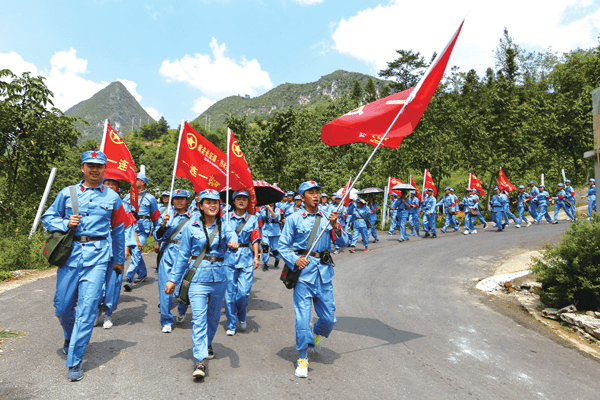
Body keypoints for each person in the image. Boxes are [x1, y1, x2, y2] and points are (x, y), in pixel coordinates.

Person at [41, 150, 127, 381]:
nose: (94, 169)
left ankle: (75, 360)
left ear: (104, 168)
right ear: (82, 167)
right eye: (90, 165)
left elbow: (119, 230)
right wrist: (64, 222)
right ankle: (71, 336)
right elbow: (47, 217)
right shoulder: (67, 193)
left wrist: (119, 260)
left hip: (98, 258)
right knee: (62, 306)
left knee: (88, 309)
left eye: (99, 166)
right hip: (70, 256)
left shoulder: (112, 197)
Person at [165, 189, 238, 379]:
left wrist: (233, 242)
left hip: (219, 278)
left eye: (216, 202)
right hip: (198, 278)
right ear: (200, 205)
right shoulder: (191, 226)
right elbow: (182, 256)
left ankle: (207, 343)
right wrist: (173, 279)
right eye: (208, 202)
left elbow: (233, 236)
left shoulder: (225, 224)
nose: (213, 205)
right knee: (198, 319)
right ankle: (199, 361)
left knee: (213, 318)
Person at [277, 180, 348, 378]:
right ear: (302, 197)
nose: (316, 195)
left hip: (324, 274)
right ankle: (302, 358)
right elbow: (283, 246)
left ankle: (316, 332)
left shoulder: (328, 216)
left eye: (317, 192)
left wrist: (335, 226)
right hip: (303, 275)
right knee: (302, 319)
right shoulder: (294, 219)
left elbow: (344, 242)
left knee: (329, 319)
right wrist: (294, 259)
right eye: (311, 192)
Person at [95, 176, 139, 330]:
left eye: (113, 185)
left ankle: (108, 314)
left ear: (118, 189)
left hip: (115, 251)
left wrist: (126, 248)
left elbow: (127, 229)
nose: (110, 186)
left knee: (113, 284)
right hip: (96, 251)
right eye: (107, 184)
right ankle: (94, 311)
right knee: (95, 285)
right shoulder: (93, 200)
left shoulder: (124, 207)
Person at [154, 189, 193, 332]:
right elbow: (157, 236)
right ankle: (166, 320)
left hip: (186, 255)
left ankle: (182, 310)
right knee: (165, 289)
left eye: (182, 198)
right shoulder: (166, 214)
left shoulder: (195, 217)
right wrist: (163, 224)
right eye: (176, 198)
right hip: (169, 253)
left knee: (184, 288)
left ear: (187, 200)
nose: (179, 201)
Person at [224, 190, 261, 336]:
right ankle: (231, 324)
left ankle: (242, 315)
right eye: (238, 199)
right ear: (233, 201)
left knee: (243, 293)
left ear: (248, 202)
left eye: (244, 199)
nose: (241, 201)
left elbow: (255, 238)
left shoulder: (252, 219)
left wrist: (256, 257)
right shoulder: (225, 218)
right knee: (229, 294)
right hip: (228, 258)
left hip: (246, 257)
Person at [123, 173, 160, 291]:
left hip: (143, 229)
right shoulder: (127, 197)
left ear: (143, 182)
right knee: (135, 253)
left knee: (137, 251)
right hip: (130, 228)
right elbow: (122, 214)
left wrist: (158, 235)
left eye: (137, 180)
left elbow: (155, 216)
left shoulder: (150, 198)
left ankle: (129, 278)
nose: (134, 181)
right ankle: (143, 273)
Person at [259, 202, 283, 271]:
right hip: (266, 230)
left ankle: (277, 258)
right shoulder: (263, 209)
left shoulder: (277, 209)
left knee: (274, 249)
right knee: (265, 247)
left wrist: (270, 209)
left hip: (275, 231)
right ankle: (265, 264)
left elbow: (275, 217)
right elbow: (259, 218)